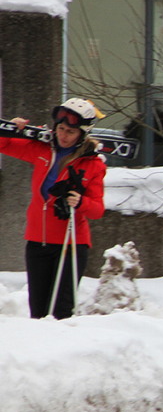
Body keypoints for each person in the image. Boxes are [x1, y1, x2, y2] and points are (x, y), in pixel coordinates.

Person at [0, 97, 107, 319]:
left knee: (61, 311)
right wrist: (12, 129)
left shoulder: (92, 164)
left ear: (83, 134)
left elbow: (97, 210)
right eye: (61, 128)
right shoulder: (42, 149)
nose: (64, 136)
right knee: (38, 311)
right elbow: (4, 145)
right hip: (38, 241)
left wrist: (81, 202)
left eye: (71, 132)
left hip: (71, 244)